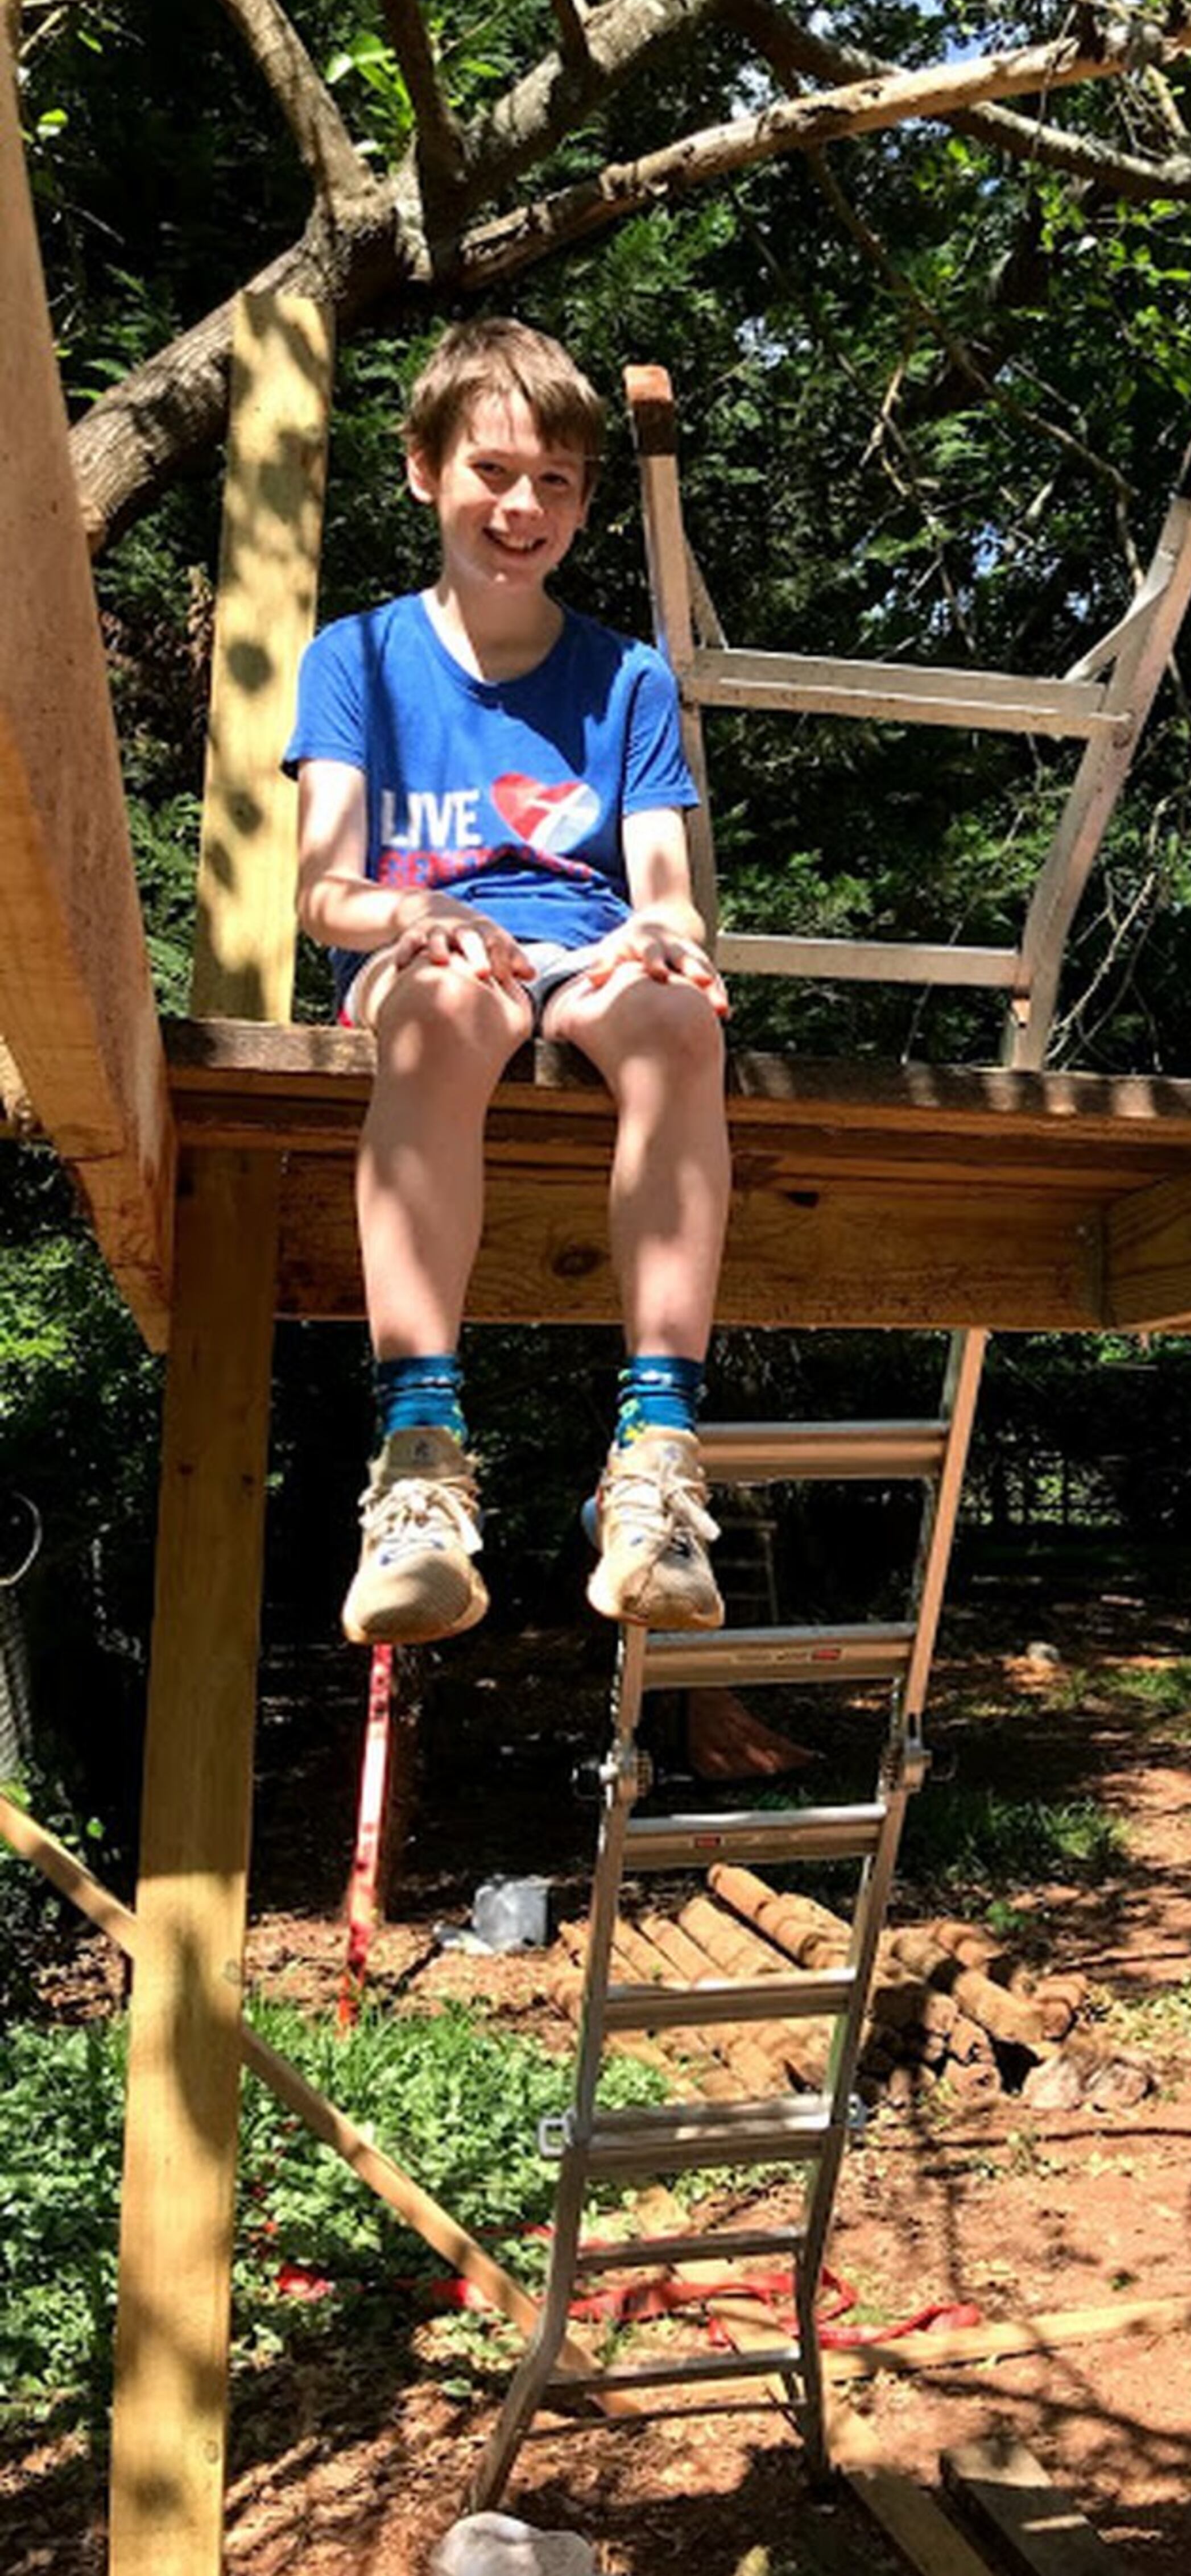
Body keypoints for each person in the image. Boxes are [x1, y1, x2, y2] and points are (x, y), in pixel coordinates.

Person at [288, 317, 733, 1647]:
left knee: (674, 1021)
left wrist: (666, 940)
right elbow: (323, 890)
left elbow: (666, 888)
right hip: (428, 945)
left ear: (585, 499)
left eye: (555, 481)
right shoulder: (355, 658)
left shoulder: (629, 676)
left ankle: (656, 1455)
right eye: (492, 471)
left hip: (586, 945)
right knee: (434, 1008)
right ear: (425, 471)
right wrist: (413, 909)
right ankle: (419, 1458)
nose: (522, 506)